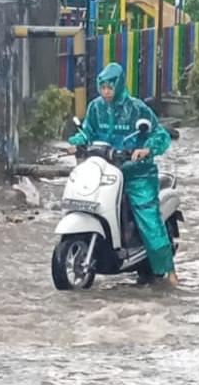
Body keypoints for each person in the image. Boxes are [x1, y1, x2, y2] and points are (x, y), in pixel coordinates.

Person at [68, 63, 178, 287]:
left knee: (148, 219)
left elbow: (159, 134)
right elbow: (88, 132)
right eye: (103, 87)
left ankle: (168, 271)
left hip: (137, 174)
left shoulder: (137, 109)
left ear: (119, 86)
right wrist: (76, 143)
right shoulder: (95, 108)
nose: (106, 91)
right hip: (104, 170)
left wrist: (146, 149)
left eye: (110, 87)